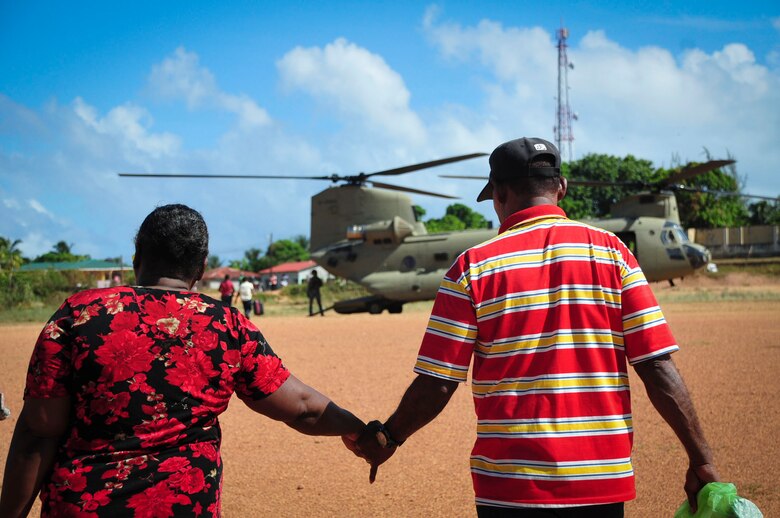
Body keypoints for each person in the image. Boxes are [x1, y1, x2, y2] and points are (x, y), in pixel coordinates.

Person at [347, 138, 719, 517]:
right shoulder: (614, 253)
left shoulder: (472, 267)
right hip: (599, 482)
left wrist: (389, 436)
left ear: (499, 193)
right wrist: (701, 458)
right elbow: (657, 366)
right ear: (562, 187)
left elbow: (438, 382)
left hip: (510, 487)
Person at [0, 204, 364, 517]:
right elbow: (302, 407)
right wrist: (362, 431)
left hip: (84, 505)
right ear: (202, 266)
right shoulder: (225, 324)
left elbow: (39, 429)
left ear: (137, 256)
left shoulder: (78, 315)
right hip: (184, 505)